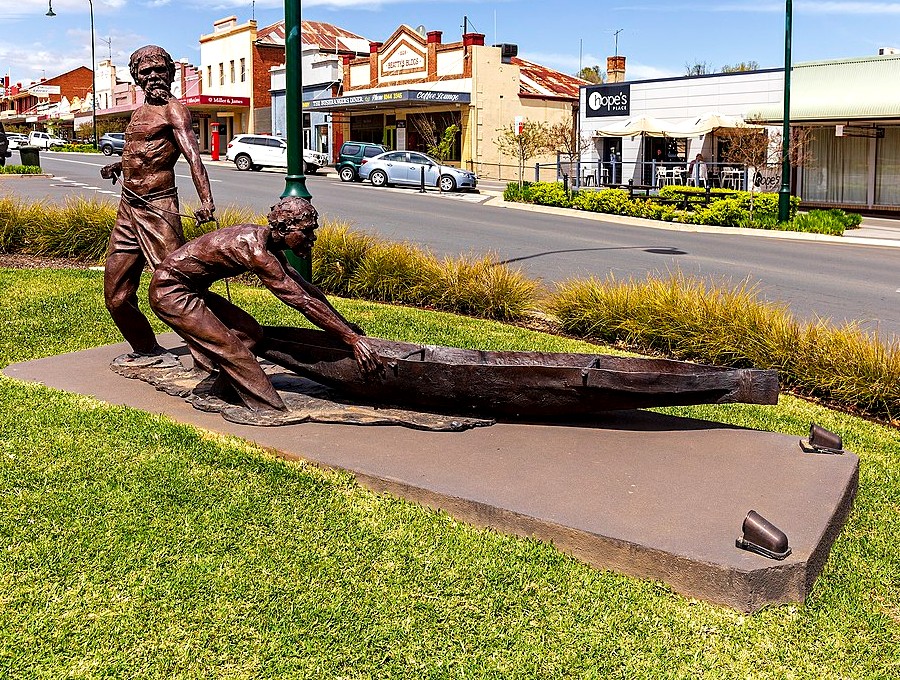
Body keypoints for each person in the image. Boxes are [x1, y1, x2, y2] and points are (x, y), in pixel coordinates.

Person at [148, 196, 380, 414]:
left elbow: (308, 290)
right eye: (306, 231)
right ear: (282, 229)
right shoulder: (256, 251)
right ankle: (270, 409)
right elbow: (302, 302)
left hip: (193, 290)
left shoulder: (269, 244)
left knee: (251, 335)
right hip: (170, 292)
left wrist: (346, 327)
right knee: (234, 350)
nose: (312, 238)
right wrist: (352, 340)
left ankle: (220, 391)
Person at [100, 45, 216, 368]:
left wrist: (206, 200)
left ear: (170, 74)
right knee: (116, 296)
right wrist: (118, 168)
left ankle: (214, 355)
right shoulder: (138, 113)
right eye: (146, 72)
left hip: (159, 209)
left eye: (159, 71)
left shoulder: (174, 111)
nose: (153, 77)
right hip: (128, 210)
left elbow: (194, 157)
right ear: (137, 77)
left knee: (178, 287)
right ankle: (147, 350)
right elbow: (139, 154)